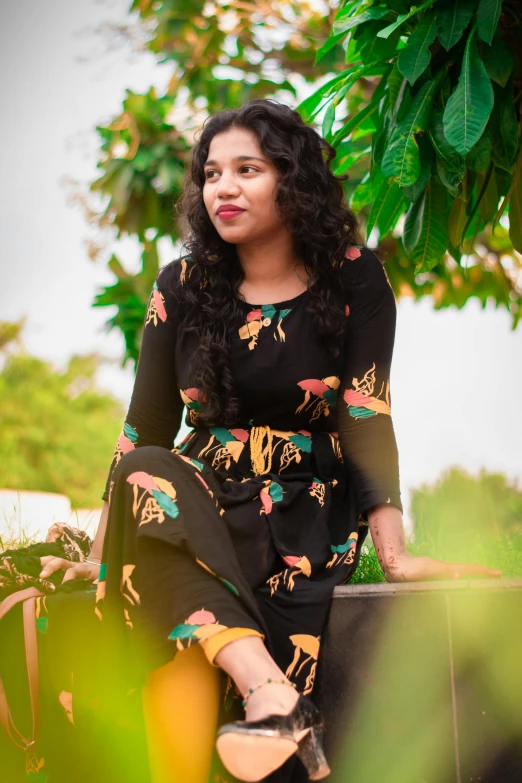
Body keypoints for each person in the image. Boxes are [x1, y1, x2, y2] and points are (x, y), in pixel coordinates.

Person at [39, 98, 501, 783]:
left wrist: (395, 553)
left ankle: (265, 700)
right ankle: (270, 692)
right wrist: (108, 552)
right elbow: (143, 428)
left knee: (181, 617)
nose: (222, 187)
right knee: (147, 472)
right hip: (199, 497)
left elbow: (365, 412)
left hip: (303, 504)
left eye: (246, 169)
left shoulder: (355, 278)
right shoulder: (184, 285)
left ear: (294, 179)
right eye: (211, 173)